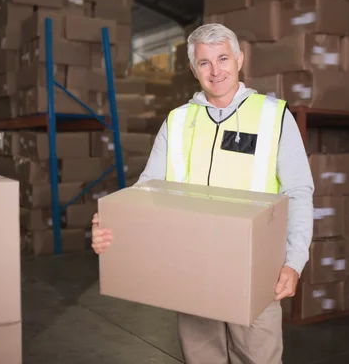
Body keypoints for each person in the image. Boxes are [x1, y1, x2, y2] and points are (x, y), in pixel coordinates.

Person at [91, 23, 314, 364]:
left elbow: (298, 191)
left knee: (258, 358)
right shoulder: (178, 121)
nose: (216, 70)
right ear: (194, 70)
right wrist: (112, 225)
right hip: (191, 266)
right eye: (205, 63)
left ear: (239, 59)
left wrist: (294, 261)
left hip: (254, 267)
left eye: (223, 58)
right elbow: (147, 190)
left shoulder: (273, 117)